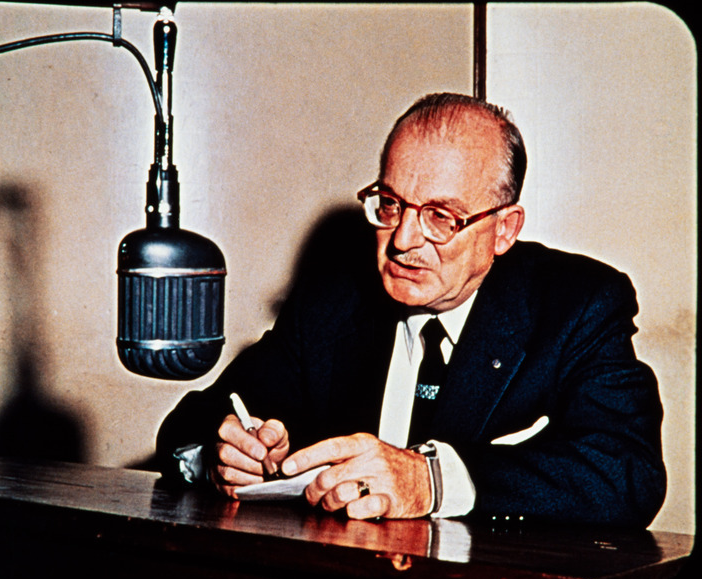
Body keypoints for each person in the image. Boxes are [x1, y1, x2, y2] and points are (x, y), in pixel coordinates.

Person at [155, 92, 666, 527]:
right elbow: (191, 424)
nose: (402, 240)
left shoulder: (577, 303)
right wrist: (221, 456)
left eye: (441, 216)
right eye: (392, 204)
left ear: (504, 230)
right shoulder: (335, 301)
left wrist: (431, 481)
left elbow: (627, 471)